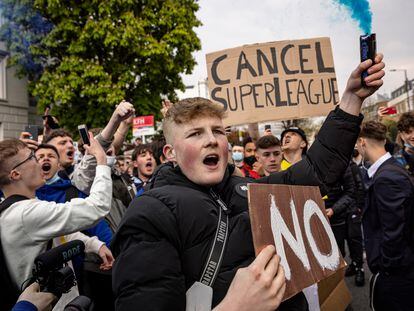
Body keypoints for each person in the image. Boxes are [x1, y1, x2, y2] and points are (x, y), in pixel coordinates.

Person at [111, 52, 385, 311]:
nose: (211, 140)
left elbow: (314, 173)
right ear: (171, 154)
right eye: (195, 134)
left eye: (218, 131)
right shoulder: (148, 214)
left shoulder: (244, 189)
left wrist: (350, 100)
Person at [0, 134, 112, 291]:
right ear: (15, 174)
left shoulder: (22, 208)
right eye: (32, 157)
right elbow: (97, 206)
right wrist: (101, 159)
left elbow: (58, 233)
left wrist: (94, 244)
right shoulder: (26, 213)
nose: (39, 161)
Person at [357, 120, 414, 310]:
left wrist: (385, 266)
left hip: (396, 273)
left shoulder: (387, 177)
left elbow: (394, 231)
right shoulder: (387, 170)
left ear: (362, 142)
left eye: (357, 143)